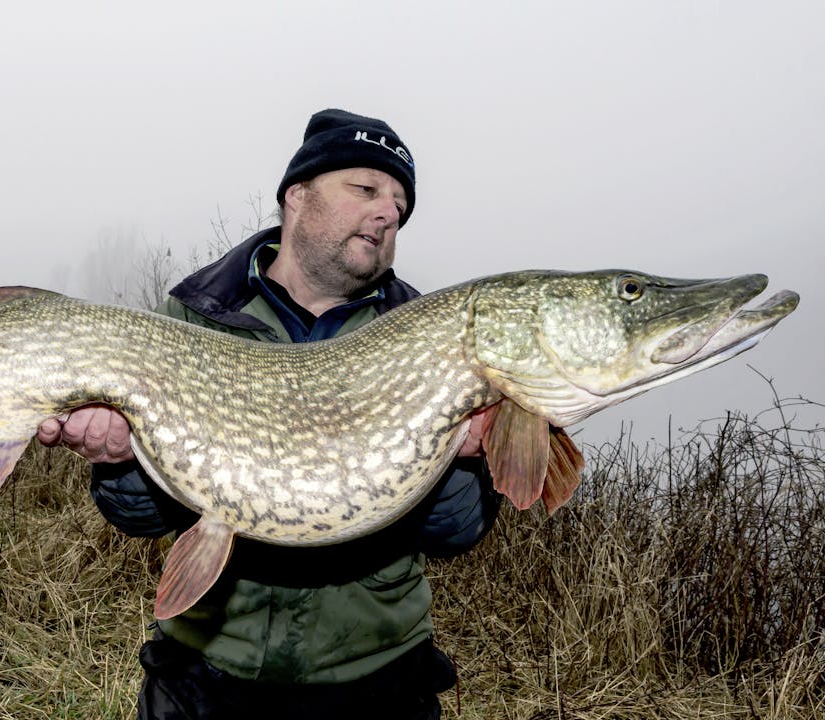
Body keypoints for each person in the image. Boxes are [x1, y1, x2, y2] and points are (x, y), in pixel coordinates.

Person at [37, 109, 502, 720]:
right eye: (365, 189)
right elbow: (141, 519)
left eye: (399, 204)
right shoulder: (195, 317)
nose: (388, 213)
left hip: (377, 677)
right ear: (296, 196)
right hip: (207, 669)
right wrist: (119, 463)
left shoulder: (432, 339)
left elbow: (455, 532)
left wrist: (457, 456)